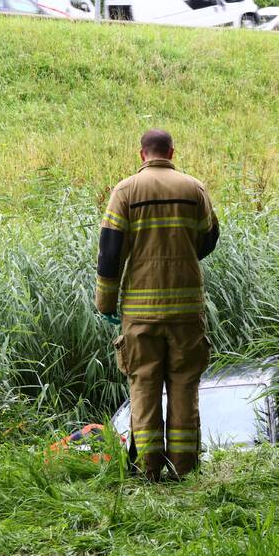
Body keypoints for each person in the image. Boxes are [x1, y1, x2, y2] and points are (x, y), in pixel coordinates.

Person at [95, 128, 220, 481]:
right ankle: (184, 467)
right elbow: (208, 238)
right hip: (186, 310)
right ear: (172, 152)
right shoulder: (193, 188)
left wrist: (105, 303)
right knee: (184, 386)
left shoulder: (125, 191)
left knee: (144, 387)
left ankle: (148, 468)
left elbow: (110, 252)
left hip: (140, 312)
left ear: (141, 155)